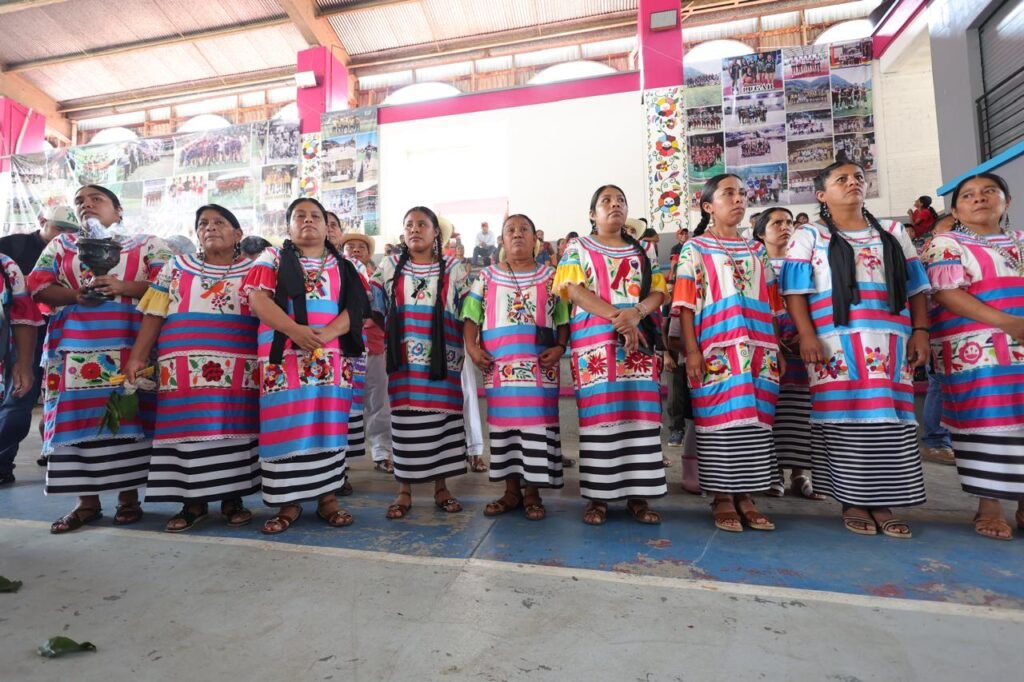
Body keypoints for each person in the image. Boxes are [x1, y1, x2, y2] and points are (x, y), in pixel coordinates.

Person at [780, 160, 930, 538]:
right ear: (821, 194)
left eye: (858, 177)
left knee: (889, 418)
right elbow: (794, 291)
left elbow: (915, 288)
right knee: (844, 418)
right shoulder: (810, 235)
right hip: (834, 344)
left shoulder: (893, 232)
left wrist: (921, 331)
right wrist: (806, 335)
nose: (853, 183)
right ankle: (852, 501)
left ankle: (883, 502)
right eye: (842, 179)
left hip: (891, 342)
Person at [29, 185, 170, 533]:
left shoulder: (147, 244)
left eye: (96, 199)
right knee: (76, 419)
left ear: (118, 210)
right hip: (73, 350)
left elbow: (171, 284)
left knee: (127, 415)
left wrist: (124, 288)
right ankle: (86, 503)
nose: (86, 205)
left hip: (130, 345)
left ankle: (128, 498)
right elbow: (38, 287)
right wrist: (75, 295)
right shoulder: (62, 245)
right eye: (80, 201)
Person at [124, 205, 260, 531]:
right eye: (203, 223)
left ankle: (232, 499)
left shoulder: (255, 270)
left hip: (238, 365)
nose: (210, 227)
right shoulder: (176, 266)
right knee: (186, 430)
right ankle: (192, 503)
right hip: (182, 368)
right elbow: (154, 314)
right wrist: (137, 357)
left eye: (219, 222)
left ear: (238, 234)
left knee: (233, 428)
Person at [243, 198, 368, 534]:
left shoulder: (345, 265)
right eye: (300, 216)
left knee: (329, 425)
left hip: (332, 356)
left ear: (328, 227)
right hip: (282, 356)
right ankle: (288, 503)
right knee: (285, 424)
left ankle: (328, 499)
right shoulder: (272, 258)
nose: (308, 221)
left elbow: (357, 308)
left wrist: (327, 334)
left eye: (316, 216)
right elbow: (258, 300)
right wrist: (294, 331)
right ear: (288, 226)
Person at [673, 175, 783, 532]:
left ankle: (747, 496)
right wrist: (692, 351)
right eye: (729, 194)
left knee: (755, 420)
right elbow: (685, 304)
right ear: (708, 206)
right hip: (716, 348)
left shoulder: (756, 249)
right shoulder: (695, 248)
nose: (738, 199)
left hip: (759, 347)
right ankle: (722, 496)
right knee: (720, 420)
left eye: (742, 194)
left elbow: (772, 300)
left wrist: (776, 345)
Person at [554, 184, 668, 525]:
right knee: (600, 415)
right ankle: (599, 497)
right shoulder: (579, 247)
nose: (614, 205)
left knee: (640, 414)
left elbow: (658, 292)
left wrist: (636, 313)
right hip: (595, 345)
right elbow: (574, 291)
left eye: (621, 200)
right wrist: (620, 318)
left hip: (638, 344)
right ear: (592, 214)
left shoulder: (644, 250)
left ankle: (639, 495)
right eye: (606, 201)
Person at [923, 173, 1024, 540]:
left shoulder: (1020, 240)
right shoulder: (946, 243)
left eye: (989, 191)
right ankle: (989, 505)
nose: (979, 198)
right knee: (987, 420)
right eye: (968, 195)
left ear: (1007, 201)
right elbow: (946, 292)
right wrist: (1007, 323)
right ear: (955, 211)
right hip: (977, 352)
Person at [463, 214, 569, 520]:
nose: (518, 234)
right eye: (511, 230)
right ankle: (511, 492)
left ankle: (533, 494)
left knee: (536, 428)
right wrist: (472, 348)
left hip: (540, 367)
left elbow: (563, 318)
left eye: (524, 229)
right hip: (499, 368)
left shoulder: (551, 276)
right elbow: (470, 316)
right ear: (502, 240)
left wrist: (560, 347)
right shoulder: (486, 277)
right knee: (504, 428)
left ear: (536, 239)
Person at [373, 207, 471, 519]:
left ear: (435, 232)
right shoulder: (389, 266)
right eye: (409, 225)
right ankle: (404, 490)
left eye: (422, 224)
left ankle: (442, 488)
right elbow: (373, 304)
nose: (414, 229)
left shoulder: (453, 267)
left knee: (443, 421)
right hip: (404, 362)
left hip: (443, 361)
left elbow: (470, 309)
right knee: (404, 423)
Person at [753, 207, 824, 500]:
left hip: (803, 348)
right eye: (777, 223)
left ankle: (799, 474)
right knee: (772, 412)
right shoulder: (754, 263)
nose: (785, 227)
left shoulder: (807, 263)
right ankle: (772, 474)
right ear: (760, 232)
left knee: (800, 413)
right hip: (768, 349)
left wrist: (807, 333)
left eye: (789, 222)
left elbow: (818, 301)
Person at [0, 204, 73, 476]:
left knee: (20, 402)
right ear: (42, 221)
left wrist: (24, 361)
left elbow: (24, 313)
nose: (63, 236)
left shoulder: (79, 253)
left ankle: (2, 464)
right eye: (59, 228)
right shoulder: (12, 246)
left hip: (42, 338)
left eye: (71, 232)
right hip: (17, 335)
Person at [342, 232, 394, 474]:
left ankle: (381, 452)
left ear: (369, 253)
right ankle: (341, 456)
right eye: (350, 246)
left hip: (374, 347)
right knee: (343, 402)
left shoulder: (378, 278)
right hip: (346, 349)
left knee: (378, 402)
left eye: (360, 247)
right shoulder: (337, 274)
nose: (355, 250)